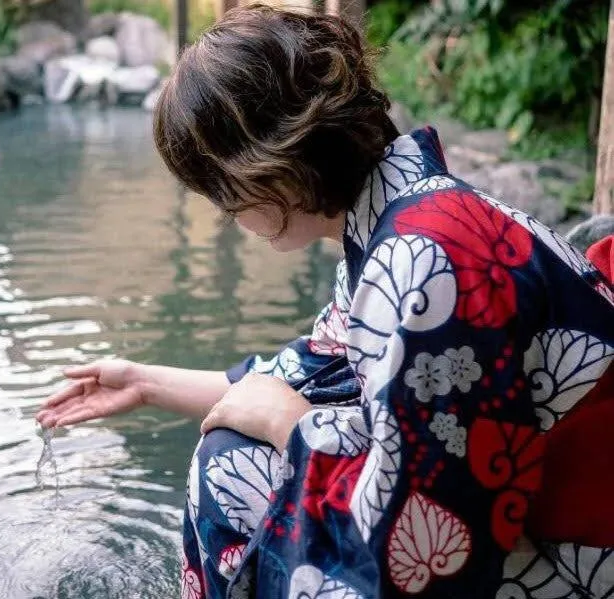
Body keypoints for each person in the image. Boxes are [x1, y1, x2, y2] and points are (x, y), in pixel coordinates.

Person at [36, 5, 614, 598]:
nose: (226, 213)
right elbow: (292, 382)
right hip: (522, 515)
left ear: (267, 159)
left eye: (220, 188)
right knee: (237, 450)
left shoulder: (424, 258)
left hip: (573, 554)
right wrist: (145, 384)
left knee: (236, 466)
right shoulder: (396, 225)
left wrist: (293, 426)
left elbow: (426, 543)